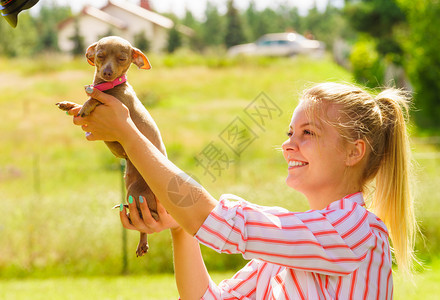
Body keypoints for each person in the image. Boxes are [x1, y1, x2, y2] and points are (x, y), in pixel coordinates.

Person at [67, 82, 417, 299]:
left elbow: (218, 221)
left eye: (308, 133)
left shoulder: (356, 231)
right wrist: (180, 229)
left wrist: (129, 134)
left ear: (354, 152)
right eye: (289, 133)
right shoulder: (290, 245)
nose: (289, 146)